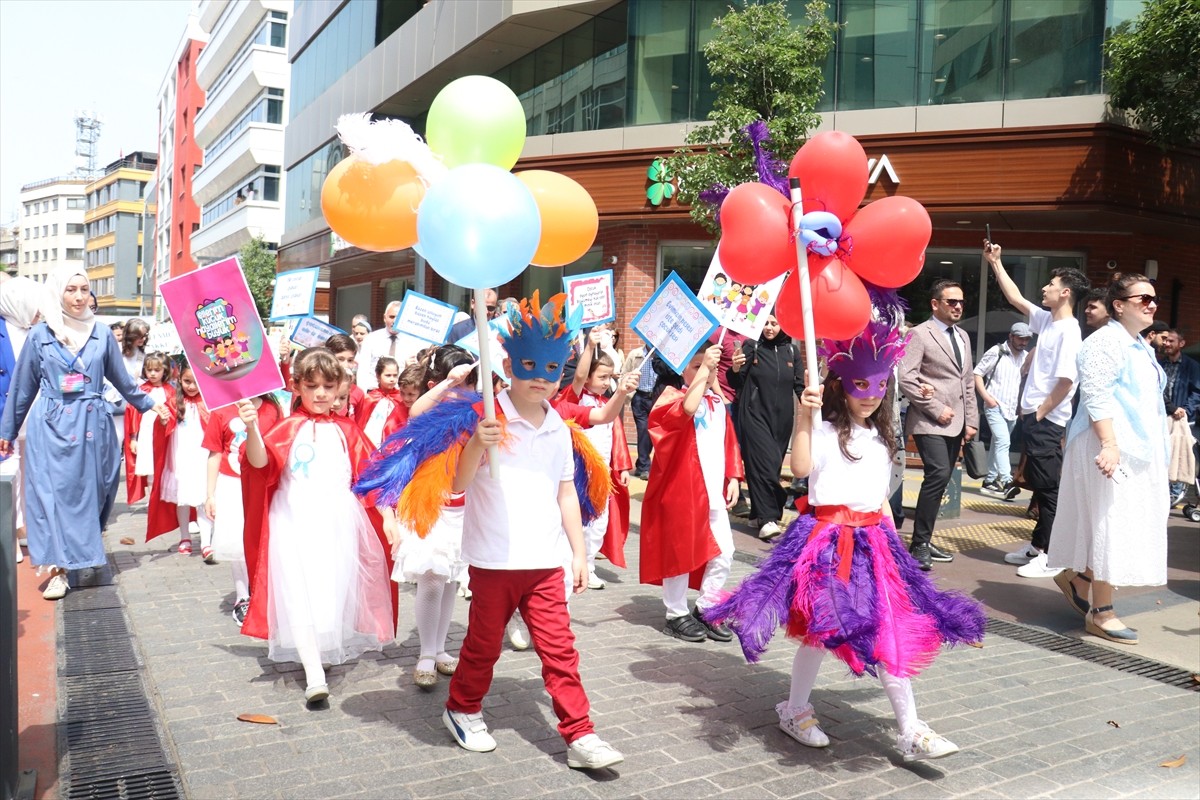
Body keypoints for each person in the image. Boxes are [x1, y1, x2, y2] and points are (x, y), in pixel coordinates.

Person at [705, 318, 985, 761]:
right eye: (860, 386)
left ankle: (911, 728)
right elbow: (798, 469)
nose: (870, 396)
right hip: (827, 543)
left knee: (888, 629)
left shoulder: (880, 435)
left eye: (877, 388)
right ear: (840, 385)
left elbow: (882, 500)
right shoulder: (821, 428)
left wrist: (897, 554)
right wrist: (802, 414)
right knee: (819, 633)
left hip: (875, 545)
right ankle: (795, 708)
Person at [426, 293, 623, 769]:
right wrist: (476, 443)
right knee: (483, 644)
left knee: (560, 651)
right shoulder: (484, 416)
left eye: (553, 368)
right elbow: (456, 485)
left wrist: (579, 554)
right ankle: (462, 708)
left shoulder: (558, 425)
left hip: (545, 561)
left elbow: (565, 494)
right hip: (494, 559)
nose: (541, 377)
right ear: (509, 363)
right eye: (530, 365)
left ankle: (580, 734)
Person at [0, 266, 170, 600]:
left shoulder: (102, 333)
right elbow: (22, 390)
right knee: (53, 498)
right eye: (71, 290)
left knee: (96, 492)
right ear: (57, 293)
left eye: (84, 289)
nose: (79, 297)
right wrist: (7, 431)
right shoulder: (41, 335)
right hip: (50, 428)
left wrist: (151, 404)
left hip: (94, 428)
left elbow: (121, 379)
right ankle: (58, 571)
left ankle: (83, 551)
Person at [239, 347, 396, 704]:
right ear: (296, 387)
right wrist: (251, 426)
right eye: (312, 386)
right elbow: (260, 461)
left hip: (337, 523)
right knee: (298, 592)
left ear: (339, 386)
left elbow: (370, 477)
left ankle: (320, 655)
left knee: (328, 590)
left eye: (328, 385)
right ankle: (313, 671)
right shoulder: (288, 427)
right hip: (292, 521)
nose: (321, 394)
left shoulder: (347, 430)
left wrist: (388, 517)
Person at [1047, 274, 1168, 645]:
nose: (1151, 304)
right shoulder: (1104, 342)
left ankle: (1080, 579)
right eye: (1142, 298)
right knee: (1111, 525)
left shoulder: (1138, 345)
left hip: (1135, 447)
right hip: (1110, 445)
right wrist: (1110, 445)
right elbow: (1097, 397)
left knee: (1118, 522)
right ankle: (1101, 612)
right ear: (1119, 305)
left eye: (1153, 298)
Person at [370, 346, 477, 688]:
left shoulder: (476, 416)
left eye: (470, 383)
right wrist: (449, 384)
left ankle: (440, 648)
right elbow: (416, 409)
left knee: (448, 581)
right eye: (459, 383)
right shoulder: (425, 414)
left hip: (464, 509)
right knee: (431, 578)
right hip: (428, 510)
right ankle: (426, 654)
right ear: (435, 382)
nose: (465, 390)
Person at [984, 242, 1089, 579]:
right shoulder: (1048, 321)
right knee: (1040, 485)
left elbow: (1066, 382)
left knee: (1048, 488)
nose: (1044, 288)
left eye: (1051, 284)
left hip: (1046, 420)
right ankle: (1037, 545)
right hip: (1034, 417)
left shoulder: (1069, 332)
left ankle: (1052, 554)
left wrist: (1041, 412)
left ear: (1066, 293)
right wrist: (996, 263)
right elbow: (1016, 298)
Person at [640, 343, 743, 644]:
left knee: (725, 552)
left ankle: (707, 606)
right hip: (683, 492)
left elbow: (729, 443)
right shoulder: (671, 399)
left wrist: (733, 477)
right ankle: (675, 613)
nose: (704, 371)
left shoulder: (717, 404)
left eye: (708, 366)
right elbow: (686, 410)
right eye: (696, 366)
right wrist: (704, 373)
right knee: (681, 555)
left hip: (713, 492)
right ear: (682, 369)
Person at [898, 279, 978, 570]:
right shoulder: (919, 334)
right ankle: (919, 544)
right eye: (951, 302)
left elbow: (966, 381)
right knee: (938, 473)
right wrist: (935, 408)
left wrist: (971, 421)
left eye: (961, 302)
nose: (957, 306)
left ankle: (925, 538)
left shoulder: (963, 337)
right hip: (928, 420)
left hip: (956, 422)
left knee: (942, 479)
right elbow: (906, 378)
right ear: (935, 304)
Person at [555, 329, 633, 589]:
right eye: (601, 376)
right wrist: (589, 347)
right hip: (579, 471)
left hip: (602, 473)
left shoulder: (605, 402)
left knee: (600, 523)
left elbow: (616, 435)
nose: (605, 381)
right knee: (580, 521)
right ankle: (572, 563)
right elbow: (578, 375)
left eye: (610, 377)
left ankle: (588, 565)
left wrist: (621, 467)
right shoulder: (574, 398)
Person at [203, 392, 283, 625]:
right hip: (231, 484)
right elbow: (214, 452)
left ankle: (267, 592)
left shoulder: (272, 408)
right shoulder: (221, 410)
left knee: (266, 539)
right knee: (237, 541)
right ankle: (243, 597)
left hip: (264, 484)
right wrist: (210, 494)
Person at [728, 315, 803, 540]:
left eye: (774, 323)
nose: (769, 328)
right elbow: (736, 381)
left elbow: (799, 385)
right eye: (766, 323)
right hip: (754, 415)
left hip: (782, 421)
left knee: (768, 467)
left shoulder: (792, 352)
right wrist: (734, 368)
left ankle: (756, 513)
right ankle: (769, 518)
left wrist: (814, 406)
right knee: (765, 465)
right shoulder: (753, 346)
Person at [0, 277, 50, 565]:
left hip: (38, 418)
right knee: (10, 479)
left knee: (32, 476)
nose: (39, 312)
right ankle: (12, 531)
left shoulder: (41, 332)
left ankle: (26, 528)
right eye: (34, 306)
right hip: (6, 417)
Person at [153, 363, 214, 560]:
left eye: (196, 382)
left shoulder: (209, 402)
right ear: (179, 379)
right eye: (187, 381)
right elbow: (164, 425)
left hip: (202, 456)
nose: (191, 386)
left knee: (204, 497)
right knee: (183, 498)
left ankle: (206, 541)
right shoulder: (173, 401)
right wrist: (163, 421)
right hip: (180, 456)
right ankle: (184, 536)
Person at [973, 322, 1033, 499]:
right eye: (1020, 338)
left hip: (1013, 408)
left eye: (1026, 339)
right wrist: (987, 398)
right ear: (1011, 336)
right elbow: (977, 373)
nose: (1023, 342)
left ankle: (990, 480)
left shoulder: (1026, 357)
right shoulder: (996, 351)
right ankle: (1007, 481)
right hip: (995, 404)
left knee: (997, 443)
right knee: (1003, 441)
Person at [123, 353, 175, 506]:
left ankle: (167, 498)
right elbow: (132, 414)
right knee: (150, 466)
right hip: (146, 434)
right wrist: (133, 438)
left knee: (165, 464)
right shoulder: (141, 391)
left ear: (165, 371)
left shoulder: (171, 390)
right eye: (149, 370)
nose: (152, 373)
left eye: (157, 370)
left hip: (166, 435)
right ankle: (154, 500)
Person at [1156, 328, 1200, 505]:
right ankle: (1161, 491)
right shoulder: (1160, 364)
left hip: (1182, 419)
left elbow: (1197, 392)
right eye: (1165, 340)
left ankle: (1174, 493)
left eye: (1171, 341)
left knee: (1178, 453)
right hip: (1162, 417)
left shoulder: (1192, 366)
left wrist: (1185, 410)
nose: (1166, 343)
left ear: (1181, 344)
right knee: (1162, 453)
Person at [357, 300, 423, 390]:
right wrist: (363, 395)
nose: (395, 321)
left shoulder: (413, 342)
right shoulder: (371, 339)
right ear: (385, 317)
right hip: (373, 394)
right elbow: (363, 370)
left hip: (400, 393)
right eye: (391, 317)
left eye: (399, 317)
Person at [360, 356, 409, 447]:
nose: (392, 379)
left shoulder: (401, 398)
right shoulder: (370, 398)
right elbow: (361, 422)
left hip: (393, 442)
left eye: (395, 375)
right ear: (378, 376)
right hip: (371, 440)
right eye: (388, 375)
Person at [324, 333, 367, 422]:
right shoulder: (318, 387)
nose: (345, 365)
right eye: (340, 359)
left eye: (350, 360)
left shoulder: (358, 393)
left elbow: (358, 426)